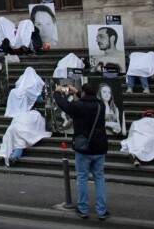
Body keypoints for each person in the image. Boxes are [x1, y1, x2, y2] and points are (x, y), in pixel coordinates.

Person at [54, 83, 109, 220]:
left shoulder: (79, 106)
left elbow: (64, 105)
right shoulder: (101, 105)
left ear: (83, 93)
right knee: (100, 179)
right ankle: (101, 211)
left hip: (83, 148)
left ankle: (83, 208)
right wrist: (77, 92)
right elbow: (89, 98)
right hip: (99, 147)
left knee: (82, 178)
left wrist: (57, 92)